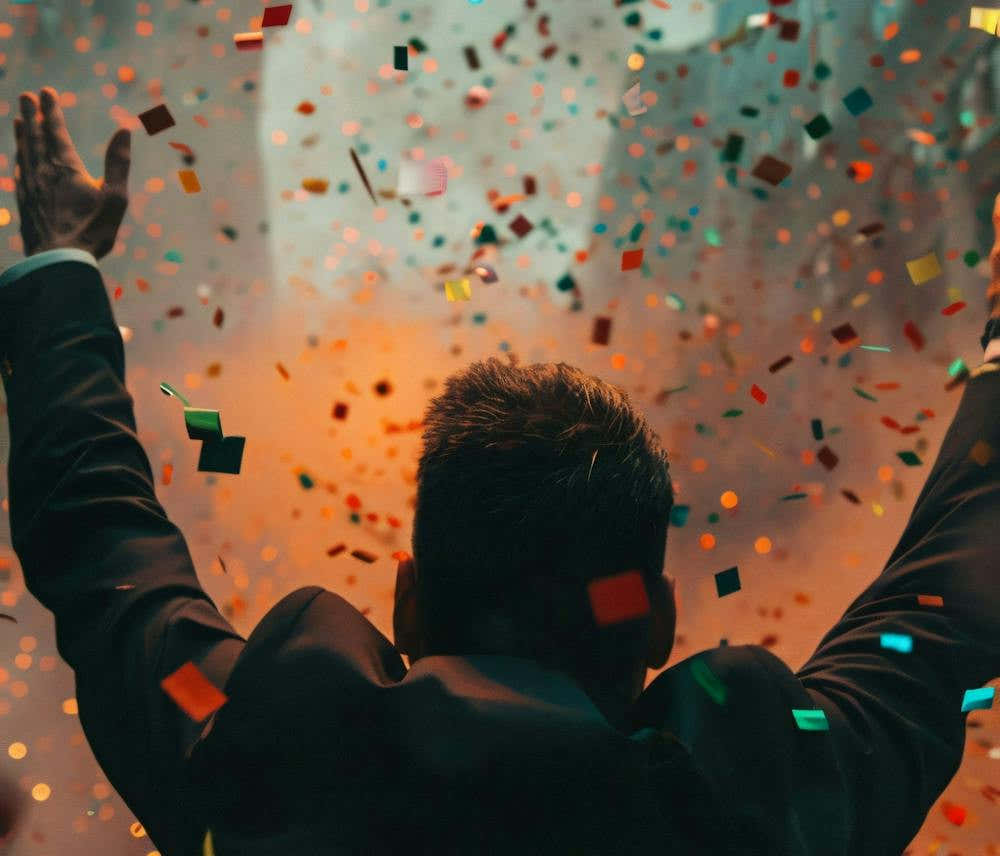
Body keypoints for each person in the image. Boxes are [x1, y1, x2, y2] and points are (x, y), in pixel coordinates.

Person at [2, 87, 999, 855]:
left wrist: (63, 268)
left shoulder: (261, 757)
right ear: (656, 619)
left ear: (405, 604)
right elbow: (944, 609)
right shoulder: (766, 802)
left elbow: (102, 548)